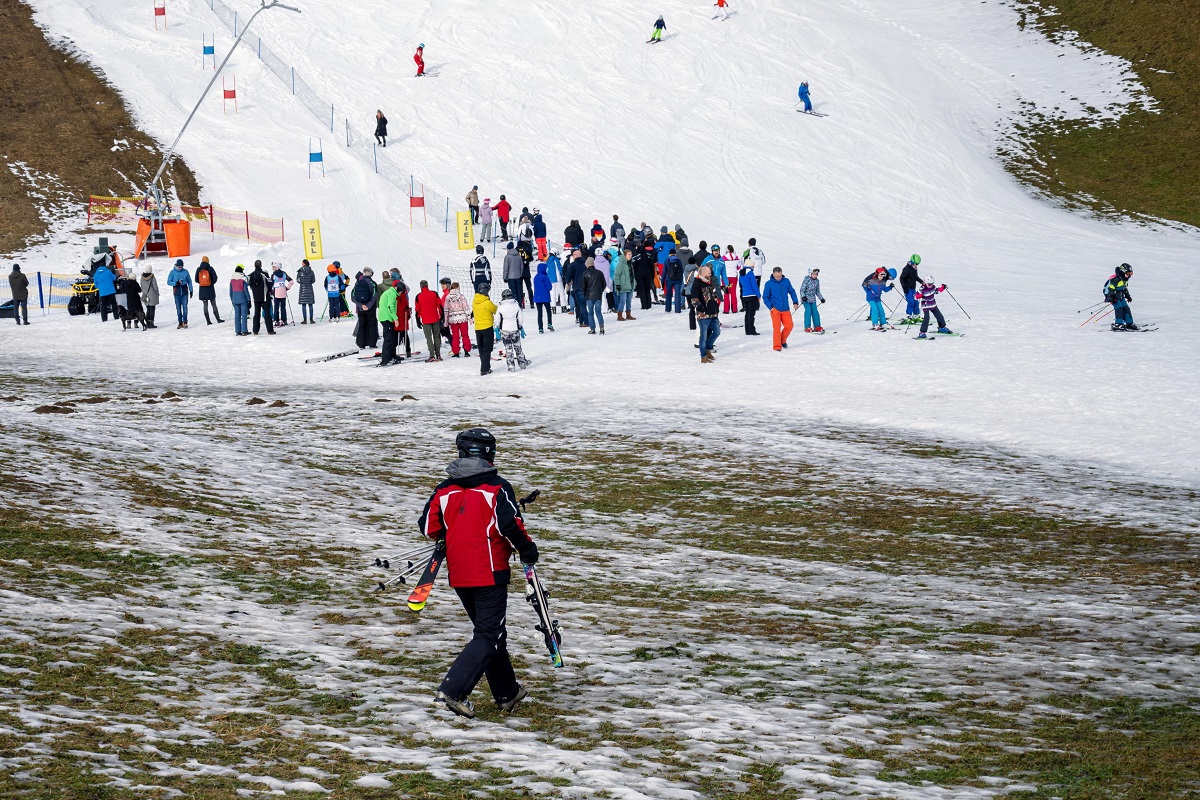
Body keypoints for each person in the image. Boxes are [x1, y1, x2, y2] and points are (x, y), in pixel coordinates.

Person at [421, 428, 538, 718]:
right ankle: (451, 692)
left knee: (491, 632)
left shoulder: (443, 489)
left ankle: (507, 692)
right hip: (490, 571)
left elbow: (428, 527)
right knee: (488, 633)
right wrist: (527, 549)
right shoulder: (498, 488)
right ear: (490, 454)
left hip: (459, 572)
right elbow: (510, 525)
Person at [762, 267, 799, 350]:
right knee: (777, 328)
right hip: (775, 310)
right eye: (777, 276)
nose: (779, 278)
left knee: (789, 326)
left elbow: (792, 291)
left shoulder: (786, 281)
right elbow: (765, 297)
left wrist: (795, 302)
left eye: (780, 276)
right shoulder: (769, 284)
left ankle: (782, 341)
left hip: (785, 309)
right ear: (773, 274)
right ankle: (777, 346)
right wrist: (771, 308)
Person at [690, 265, 721, 363]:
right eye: (708, 273)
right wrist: (702, 309)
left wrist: (716, 301)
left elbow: (710, 296)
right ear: (703, 273)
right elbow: (694, 300)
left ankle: (708, 349)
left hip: (713, 313)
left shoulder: (708, 282)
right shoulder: (697, 283)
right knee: (703, 336)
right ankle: (703, 356)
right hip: (703, 315)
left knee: (716, 332)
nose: (710, 274)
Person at [495, 289, 531, 371]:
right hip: (514, 329)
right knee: (518, 347)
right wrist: (520, 327)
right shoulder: (516, 305)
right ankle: (522, 363)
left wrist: (497, 328)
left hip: (504, 330)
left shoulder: (500, 307)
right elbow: (520, 318)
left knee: (508, 349)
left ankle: (511, 366)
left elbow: (497, 319)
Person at [415, 280, 444, 362]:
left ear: (420, 287)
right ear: (427, 285)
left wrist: (418, 320)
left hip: (426, 320)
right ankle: (438, 355)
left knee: (429, 338)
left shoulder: (418, 296)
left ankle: (432, 355)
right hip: (435, 318)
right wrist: (442, 316)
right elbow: (440, 305)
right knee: (437, 336)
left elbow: (417, 310)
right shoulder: (434, 293)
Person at [473, 283, 498, 375]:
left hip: (478, 328)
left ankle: (486, 366)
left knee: (481, 348)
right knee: (487, 348)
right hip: (487, 327)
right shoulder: (487, 302)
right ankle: (484, 369)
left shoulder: (474, 301)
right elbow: (495, 310)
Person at [244, 260, 274, 335]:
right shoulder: (265, 274)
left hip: (256, 298)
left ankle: (255, 331)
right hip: (265, 297)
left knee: (256, 314)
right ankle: (270, 330)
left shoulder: (251, 275)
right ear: (261, 265)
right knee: (267, 313)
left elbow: (247, 284)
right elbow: (270, 284)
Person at [1105, 263, 1137, 331]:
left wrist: (1128, 296)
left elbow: (1124, 288)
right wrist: (1111, 297)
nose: (1129, 275)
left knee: (1126, 308)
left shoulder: (1125, 279)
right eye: (1128, 273)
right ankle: (1118, 324)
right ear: (1123, 271)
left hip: (1120, 295)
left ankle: (1129, 323)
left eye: (1131, 273)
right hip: (1112, 296)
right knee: (1119, 307)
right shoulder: (1116, 279)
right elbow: (1111, 289)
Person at [353, 267, 379, 349]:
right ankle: (372, 343)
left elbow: (353, 296)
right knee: (372, 324)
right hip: (370, 308)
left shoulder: (358, 283)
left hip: (361, 309)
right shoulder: (373, 283)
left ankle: (361, 344)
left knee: (362, 325)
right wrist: (368, 305)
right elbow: (375, 295)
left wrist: (361, 305)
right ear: (371, 274)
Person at [443, 282, 472, 357]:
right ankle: (466, 351)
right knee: (465, 335)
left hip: (453, 319)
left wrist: (446, 322)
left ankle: (456, 352)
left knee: (455, 336)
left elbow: (446, 310)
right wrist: (469, 318)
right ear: (457, 287)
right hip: (463, 318)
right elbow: (466, 307)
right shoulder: (461, 296)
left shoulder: (448, 297)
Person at [861, 267, 894, 331]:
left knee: (881, 311)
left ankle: (883, 323)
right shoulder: (871, 280)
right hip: (871, 298)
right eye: (881, 275)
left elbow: (885, 290)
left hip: (877, 298)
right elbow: (865, 287)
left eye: (884, 275)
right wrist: (869, 292)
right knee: (875, 310)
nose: (882, 276)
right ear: (877, 274)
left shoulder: (882, 282)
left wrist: (890, 287)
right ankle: (875, 323)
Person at [193, 257, 223, 324]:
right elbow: (215, 278)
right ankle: (218, 319)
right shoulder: (210, 268)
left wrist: (202, 283)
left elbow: (196, 280)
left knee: (205, 305)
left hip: (202, 290)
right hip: (210, 289)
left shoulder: (198, 269)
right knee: (213, 304)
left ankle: (208, 321)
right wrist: (210, 283)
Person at [166, 259, 193, 329]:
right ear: (176, 266)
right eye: (179, 267)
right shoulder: (172, 272)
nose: (180, 268)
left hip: (184, 292)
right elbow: (168, 282)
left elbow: (189, 281)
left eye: (182, 267)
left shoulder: (185, 272)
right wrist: (175, 283)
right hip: (177, 292)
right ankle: (180, 322)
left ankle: (185, 322)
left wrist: (191, 290)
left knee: (185, 307)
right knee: (178, 308)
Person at [582, 257, 606, 334]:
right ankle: (601, 327)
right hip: (598, 295)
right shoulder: (600, 273)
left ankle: (592, 329)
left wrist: (585, 293)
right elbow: (604, 284)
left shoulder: (585, 274)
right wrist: (600, 290)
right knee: (598, 312)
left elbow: (582, 286)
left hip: (589, 296)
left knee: (590, 313)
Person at [799, 268, 826, 333]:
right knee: (808, 311)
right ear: (810, 273)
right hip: (806, 299)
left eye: (816, 274)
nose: (815, 275)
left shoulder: (817, 281)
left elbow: (817, 291)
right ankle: (807, 327)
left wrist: (821, 298)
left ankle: (817, 326)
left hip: (813, 299)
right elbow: (802, 290)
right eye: (813, 274)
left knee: (815, 312)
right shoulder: (806, 280)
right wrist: (803, 297)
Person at [898, 254, 923, 324]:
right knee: (911, 302)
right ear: (912, 261)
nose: (916, 265)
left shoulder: (914, 269)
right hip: (907, 289)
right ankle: (908, 316)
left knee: (916, 302)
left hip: (913, 288)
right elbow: (901, 278)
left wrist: (921, 282)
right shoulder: (906, 269)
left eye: (917, 264)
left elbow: (916, 277)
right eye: (916, 263)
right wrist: (904, 287)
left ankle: (916, 315)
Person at [631, 245, 656, 311]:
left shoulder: (636, 256)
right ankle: (649, 304)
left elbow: (634, 266)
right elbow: (652, 266)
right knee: (647, 289)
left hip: (639, 275)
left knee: (642, 290)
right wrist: (652, 275)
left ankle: (644, 305)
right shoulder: (649, 255)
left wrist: (635, 275)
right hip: (648, 274)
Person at [613, 248, 636, 321]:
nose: (630, 256)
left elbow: (632, 275)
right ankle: (619, 315)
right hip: (623, 286)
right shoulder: (621, 264)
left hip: (630, 285)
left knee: (629, 301)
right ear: (625, 255)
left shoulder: (630, 264)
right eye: (629, 254)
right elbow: (616, 275)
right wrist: (618, 284)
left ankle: (628, 315)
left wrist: (634, 283)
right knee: (622, 301)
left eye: (631, 254)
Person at [229, 265, 252, 336]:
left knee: (237, 315)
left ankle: (237, 331)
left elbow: (231, 291)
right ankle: (244, 330)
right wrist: (249, 300)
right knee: (244, 315)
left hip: (235, 299)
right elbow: (246, 291)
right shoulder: (243, 279)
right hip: (243, 299)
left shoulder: (232, 280)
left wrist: (232, 299)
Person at [533, 262, 554, 333]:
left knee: (539, 313)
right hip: (545, 297)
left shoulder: (536, 277)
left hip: (537, 297)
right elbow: (550, 287)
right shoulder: (545, 277)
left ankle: (540, 328)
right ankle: (549, 324)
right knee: (548, 311)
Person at [739, 265, 761, 335]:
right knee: (751, 314)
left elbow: (740, 285)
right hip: (752, 295)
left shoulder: (741, 274)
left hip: (744, 295)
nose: (753, 267)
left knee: (747, 314)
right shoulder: (750, 273)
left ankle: (747, 330)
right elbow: (754, 285)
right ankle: (752, 330)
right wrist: (758, 295)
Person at [502, 243, 524, 308]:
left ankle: (514, 304)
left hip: (510, 277)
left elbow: (506, 268)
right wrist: (520, 274)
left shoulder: (507, 257)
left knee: (512, 291)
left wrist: (505, 277)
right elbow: (521, 267)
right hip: (518, 276)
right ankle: (520, 304)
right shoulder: (518, 256)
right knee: (519, 291)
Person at [544, 247, 565, 312]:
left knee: (552, 293)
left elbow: (546, 270)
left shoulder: (547, 261)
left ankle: (553, 307)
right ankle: (563, 306)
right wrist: (562, 274)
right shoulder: (556, 260)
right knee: (561, 292)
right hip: (557, 279)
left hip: (550, 279)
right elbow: (560, 268)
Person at [296, 259, 316, 324]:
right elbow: (313, 280)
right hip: (310, 289)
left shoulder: (300, 271)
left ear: (304, 263)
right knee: (310, 305)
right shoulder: (311, 271)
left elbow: (298, 280)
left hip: (302, 290)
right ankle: (311, 319)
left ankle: (305, 320)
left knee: (303, 305)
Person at [722, 244, 740, 314]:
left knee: (726, 293)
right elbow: (738, 267)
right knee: (733, 293)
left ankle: (726, 310)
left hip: (726, 277)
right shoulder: (736, 257)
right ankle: (734, 309)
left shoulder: (723, 258)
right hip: (734, 277)